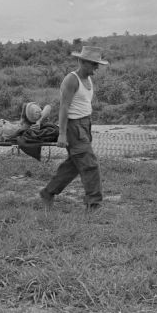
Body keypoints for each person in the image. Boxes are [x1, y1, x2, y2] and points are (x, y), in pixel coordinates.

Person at [39, 45, 109, 212]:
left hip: (85, 125)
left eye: (97, 64)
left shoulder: (88, 79)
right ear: (83, 62)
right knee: (90, 165)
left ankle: (48, 192)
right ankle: (94, 204)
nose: (96, 67)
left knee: (74, 164)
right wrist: (62, 134)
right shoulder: (71, 80)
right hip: (73, 127)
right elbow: (64, 107)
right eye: (94, 64)